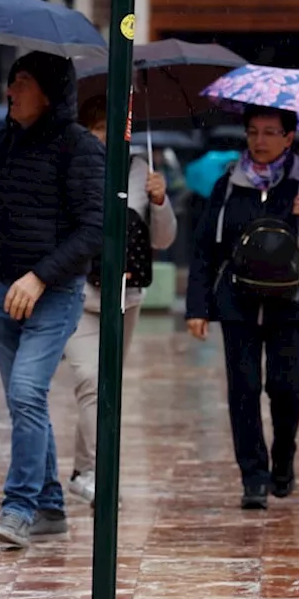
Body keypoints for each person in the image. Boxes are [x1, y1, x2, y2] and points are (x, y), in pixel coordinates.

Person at [0, 51, 105, 549]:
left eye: (21, 82)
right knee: (26, 404)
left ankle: (18, 507)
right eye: (11, 81)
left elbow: (97, 229)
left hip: (53, 294)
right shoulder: (5, 139)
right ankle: (51, 506)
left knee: (25, 394)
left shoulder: (79, 147)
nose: (10, 91)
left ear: (50, 91)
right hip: (3, 292)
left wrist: (39, 277)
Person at [185, 106, 299, 510]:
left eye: (271, 133)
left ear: (289, 137)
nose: (260, 141)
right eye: (253, 132)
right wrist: (197, 307)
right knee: (243, 389)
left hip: (293, 304)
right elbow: (205, 248)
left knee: (284, 388)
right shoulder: (227, 184)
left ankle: (283, 459)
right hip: (238, 302)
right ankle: (253, 477)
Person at [63, 95, 177, 506]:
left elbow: (163, 239)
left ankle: (83, 470)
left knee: (105, 386)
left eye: (116, 131)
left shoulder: (141, 172)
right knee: (91, 381)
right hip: (79, 294)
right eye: (99, 130)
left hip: (126, 297)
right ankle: (101, 473)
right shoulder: (75, 169)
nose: (108, 140)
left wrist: (160, 201)